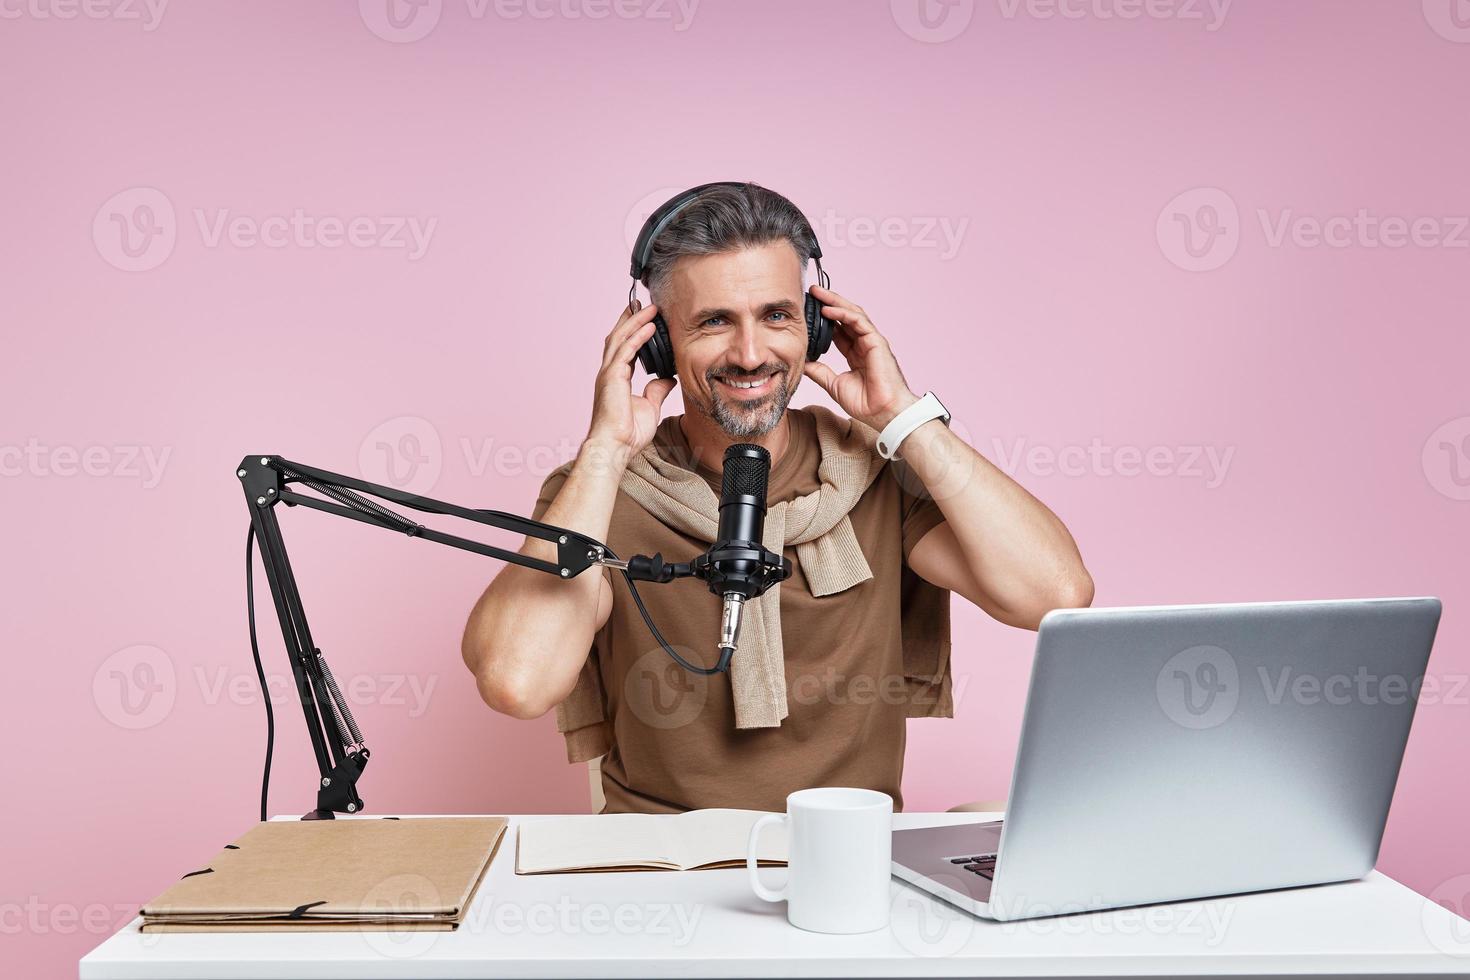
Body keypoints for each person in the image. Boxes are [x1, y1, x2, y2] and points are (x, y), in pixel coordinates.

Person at [462, 182, 1092, 813]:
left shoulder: (879, 471)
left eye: (777, 315)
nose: (751, 354)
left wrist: (903, 419)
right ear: (656, 342)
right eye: (714, 322)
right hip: (659, 867)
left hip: (847, 863)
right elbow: (517, 682)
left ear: (815, 326)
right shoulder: (599, 493)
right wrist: (605, 451)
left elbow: (1054, 596)